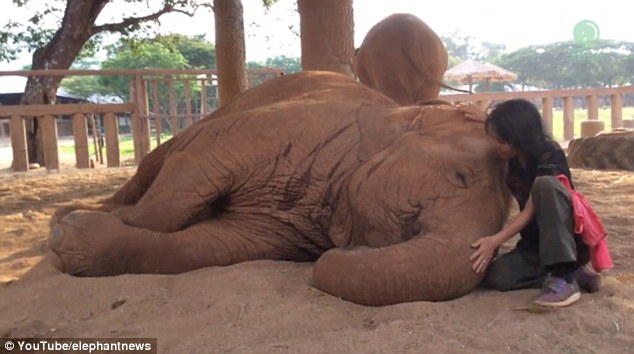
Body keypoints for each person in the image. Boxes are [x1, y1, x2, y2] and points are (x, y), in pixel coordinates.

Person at [462, 99, 603, 308]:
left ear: (519, 137)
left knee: (545, 186)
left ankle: (564, 277)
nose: (496, 146)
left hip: (564, 237)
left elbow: (531, 208)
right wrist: (486, 117)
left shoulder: (549, 153)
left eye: (502, 140)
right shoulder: (513, 155)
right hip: (535, 243)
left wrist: (495, 240)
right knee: (497, 277)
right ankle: (575, 272)